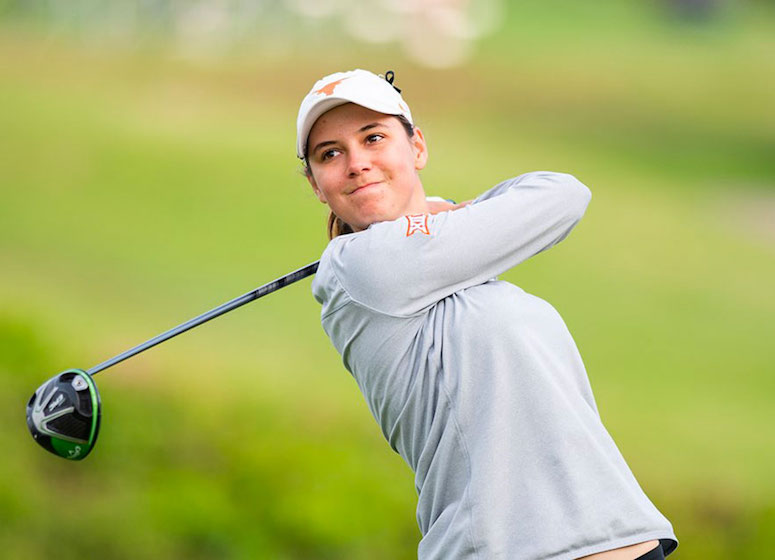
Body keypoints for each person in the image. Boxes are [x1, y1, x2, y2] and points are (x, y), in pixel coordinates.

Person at [296, 69, 678, 560]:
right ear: (315, 183)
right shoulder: (358, 268)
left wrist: (440, 215)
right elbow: (560, 199)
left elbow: (563, 192)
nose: (357, 164)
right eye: (330, 154)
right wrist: (444, 212)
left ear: (417, 148)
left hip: (624, 542)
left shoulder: (456, 266)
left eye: (374, 138)